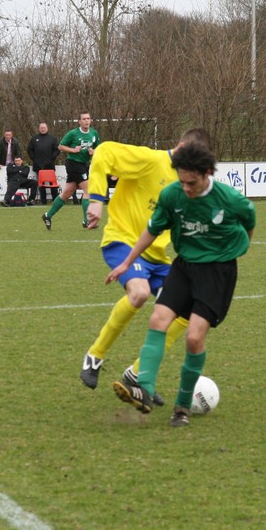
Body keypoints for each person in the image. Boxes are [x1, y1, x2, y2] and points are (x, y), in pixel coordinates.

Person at [106, 138, 256, 427]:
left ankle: (182, 407)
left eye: (192, 183)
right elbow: (151, 230)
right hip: (184, 267)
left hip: (218, 272)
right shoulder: (172, 195)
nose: (186, 188)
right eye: (182, 181)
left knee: (194, 337)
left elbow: (249, 220)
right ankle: (144, 390)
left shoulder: (229, 199)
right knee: (158, 318)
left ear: (207, 173)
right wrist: (126, 263)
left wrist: (237, 249)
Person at [80, 132, 216, 403]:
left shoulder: (188, 183)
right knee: (140, 293)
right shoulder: (151, 160)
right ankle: (95, 355)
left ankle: (137, 373)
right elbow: (104, 151)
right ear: (180, 147)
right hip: (123, 241)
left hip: (158, 256)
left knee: (187, 312)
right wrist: (96, 199)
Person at [42, 111, 98, 230]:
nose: (86, 121)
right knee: (88, 190)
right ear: (79, 121)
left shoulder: (93, 133)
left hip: (84, 164)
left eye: (88, 118)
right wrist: (73, 150)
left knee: (67, 193)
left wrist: (93, 152)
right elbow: (60, 146)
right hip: (73, 164)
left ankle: (47, 215)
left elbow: (97, 147)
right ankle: (86, 221)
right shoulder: (73, 133)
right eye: (84, 119)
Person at [27, 122, 60, 204]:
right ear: (39, 129)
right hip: (38, 166)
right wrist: (34, 159)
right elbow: (29, 150)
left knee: (52, 184)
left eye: (44, 127)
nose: (43, 129)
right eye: (41, 128)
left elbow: (57, 150)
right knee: (41, 185)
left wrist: (52, 158)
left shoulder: (52, 138)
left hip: (49, 165)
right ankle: (43, 201)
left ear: (47, 128)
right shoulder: (34, 139)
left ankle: (55, 200)